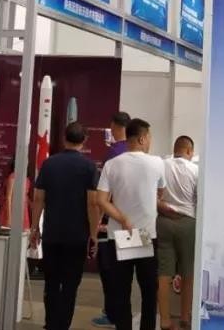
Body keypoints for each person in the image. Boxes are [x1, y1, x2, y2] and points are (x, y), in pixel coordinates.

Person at [96, 119, 167, 330]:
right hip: (146, 233)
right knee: (148, 291)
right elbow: (161, 192)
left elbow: (101, 200)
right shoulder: (157, 163)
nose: (150, 142)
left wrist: (123, 219)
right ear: (142, 138)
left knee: (121, 291)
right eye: (150, 138)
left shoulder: (112, 164)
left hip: (120, 234)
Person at [30, 122, 101, 330]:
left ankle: (50, 324)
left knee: (51, 282)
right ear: (84, 140)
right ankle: (62, 325)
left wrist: (35, 228)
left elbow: (38, 198)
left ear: (64, 138)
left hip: (52, 233)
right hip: (77, 236)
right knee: (70, 285)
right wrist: (94, 234)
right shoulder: (89, 167)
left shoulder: (49, 164)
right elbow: (92, 203)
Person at [94, 112, 132, 328]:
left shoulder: (112, 155)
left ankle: (112, 315)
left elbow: (103, 196)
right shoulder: (142, 155)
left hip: (113, 223)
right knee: (131, 275)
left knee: (110, 271)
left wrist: (97, 224)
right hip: (137, 224)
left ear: (115, 127)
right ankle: (124, 318)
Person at [157, 137, 198, 330]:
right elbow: (199, 199)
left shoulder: (162, 165)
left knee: (164, 273)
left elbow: (153, 193)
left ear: (175, 149)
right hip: (188, 222)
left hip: (164, 221)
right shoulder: (195, 170)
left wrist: (161, 206)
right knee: (188, 272)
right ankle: (185, 317)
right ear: (189, 151)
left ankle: (165, 320)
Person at [0, 158, 32, 229]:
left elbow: (25, 196)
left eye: (26, 161)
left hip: (23, 211)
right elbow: (8, 197)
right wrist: (8, 218)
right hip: (12, 210)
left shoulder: (27, 179)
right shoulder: (13, 176)